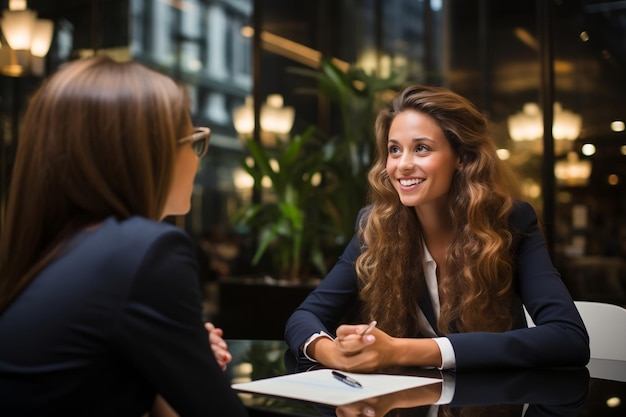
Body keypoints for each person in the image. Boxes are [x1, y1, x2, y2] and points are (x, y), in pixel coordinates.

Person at [0, 56, 248, 416]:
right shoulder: (145, 250)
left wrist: (173, 356)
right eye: (193, 141)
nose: (197, 160)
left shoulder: (58, 249)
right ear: (149, 154)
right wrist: (189, 361)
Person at [284, 84, 590, 372]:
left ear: (462, 158)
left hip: (491, 404)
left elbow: (568, 338)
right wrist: (331, 352)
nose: (402, 165)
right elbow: (304, 317)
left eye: (421, 148)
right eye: (394, 149)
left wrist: (401, 351)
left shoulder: (511, 223)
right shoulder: (375, 226)